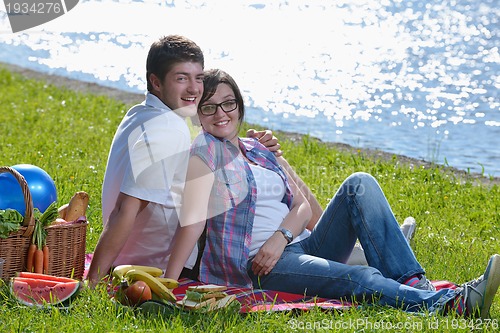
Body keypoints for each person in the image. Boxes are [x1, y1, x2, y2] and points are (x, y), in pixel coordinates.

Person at [165, 68, 500, 318]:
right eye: (210, 107)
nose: (222, 113)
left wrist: (280, 236)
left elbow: (300, 206)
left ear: (240, 105)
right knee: (360, 276)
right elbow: (192, 223)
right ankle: (449, 304)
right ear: (198, 113)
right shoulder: (205, 152)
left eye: (229, 104)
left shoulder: (256, 148)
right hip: (260, 267)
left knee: (359, 182)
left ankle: (413, 284)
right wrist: (168, 284)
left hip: (294, 245)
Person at [87, 36, 279, 287]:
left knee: (259, 170)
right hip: (157, 265)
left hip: (129, 258)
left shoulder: (141, 113)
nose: (194, 89)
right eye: (181, 78)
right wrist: (92, 282)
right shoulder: (169, 129)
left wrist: (249, 144)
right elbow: (125, 209)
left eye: (198, 78)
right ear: (155, 82)